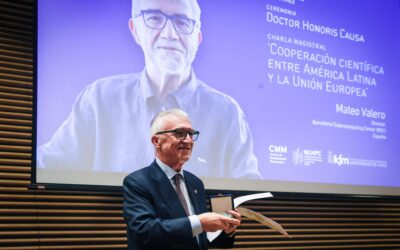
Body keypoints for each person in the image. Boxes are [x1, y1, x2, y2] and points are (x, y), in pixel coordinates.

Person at [37, 0, 262, 179]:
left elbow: (249, 194)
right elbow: (49, 166)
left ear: (198, 38)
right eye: (155, 18)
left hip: (196, 235)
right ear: (135, 30)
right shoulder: (99, 100)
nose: (170, 34)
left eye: (182, 22)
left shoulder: (226, 113)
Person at [123, 109, 241, 250]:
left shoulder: (195, 183)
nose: (188, 140)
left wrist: (225, 229)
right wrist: (200, 222)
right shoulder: (137, 182)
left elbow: (201, 240)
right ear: (156, 141)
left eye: (191, 134)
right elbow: (144, 232)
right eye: (180, 133)